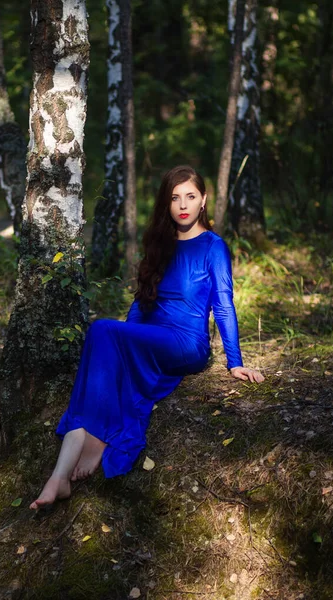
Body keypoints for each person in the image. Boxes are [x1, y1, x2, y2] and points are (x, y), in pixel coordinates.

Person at [30, 165, 264, 510]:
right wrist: (125, 343)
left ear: (203, 201)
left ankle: (95, 442)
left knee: (101, 330)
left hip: (187, 344)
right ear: (166, 204)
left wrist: (235, 362)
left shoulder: (214, 247)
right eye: (174, 198)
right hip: (152, 337)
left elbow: (224, 305)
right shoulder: (159, 244)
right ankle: (58, 478)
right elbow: (142, 303)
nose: (183, 204)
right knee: (108, 337)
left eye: (190, 196)